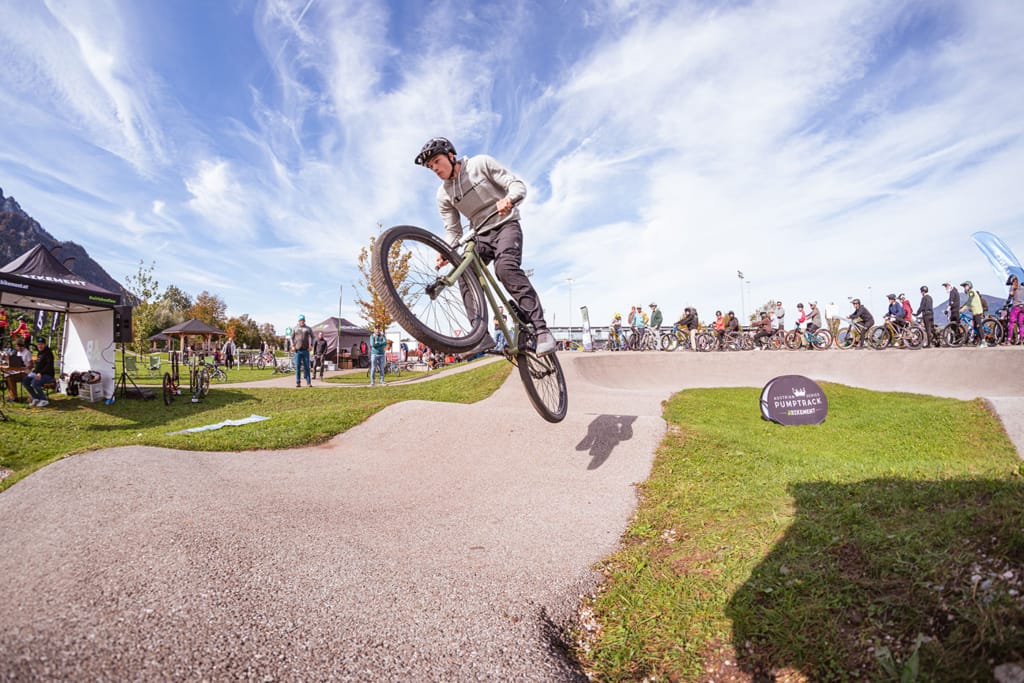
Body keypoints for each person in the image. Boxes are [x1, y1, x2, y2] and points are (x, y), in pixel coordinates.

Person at [414, 136, 555, 356]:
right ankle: (480, 336)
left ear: (451, 156)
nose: (435, 168)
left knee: (505, 268)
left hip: (506, 224)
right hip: (480, 235)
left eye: (437, 161)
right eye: (430, 167)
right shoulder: (444, 194)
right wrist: (446, 251)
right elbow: (453, 231)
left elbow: (517, 185)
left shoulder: (480, 164)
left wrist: (509, 199)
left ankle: (541, 330)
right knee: (464, 272)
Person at [23, 336, 55, 407]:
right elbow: (38, 366)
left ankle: (44, 400)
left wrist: (40, 373)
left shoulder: (48, 353)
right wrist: (34, 370)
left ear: (45, 345)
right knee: (25, 381)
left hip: (48, 375)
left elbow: (48, 366)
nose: (40, 346)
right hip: (38, 374)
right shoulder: (39, 353)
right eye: (38, 344)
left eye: (41, 344)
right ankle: (35, 398)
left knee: (34, 382)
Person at [291, 314, 314, 387]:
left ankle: (308, 382)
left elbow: (313, 337)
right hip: (297, 350)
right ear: (298, 321)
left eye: (303, 320)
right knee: (297, 367)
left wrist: (311, 345)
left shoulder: (308, 328)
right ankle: (298, 382)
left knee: (307, 366)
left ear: (305, 321)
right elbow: (291, 338)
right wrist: (292, 346)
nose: (302, 322)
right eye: (301, 320)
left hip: (306, 350)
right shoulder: (295, 328)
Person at [962, 281, 986, 347]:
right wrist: (962, 307)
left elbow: (969, 302)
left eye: (965, 286)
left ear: (969, 286)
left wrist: (962, 309)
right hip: (974, 312)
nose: (964, 288)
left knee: (979, 326)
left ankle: (984, 342)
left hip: (977, 311)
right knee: (975, 328)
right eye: (964, 287)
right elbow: (969, 302)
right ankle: (980, 341)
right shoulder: (970, 293)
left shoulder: (972, 292)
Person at [1007, 275, 1023, 345]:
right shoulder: (1022, 287)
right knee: (1020, 324)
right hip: (1023, 307)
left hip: (1016, 307)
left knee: (1011, 323)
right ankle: (1021, 340)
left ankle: (1009, 340)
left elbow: (1010, 297)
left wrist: (1006, 304)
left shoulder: (1013, 287)